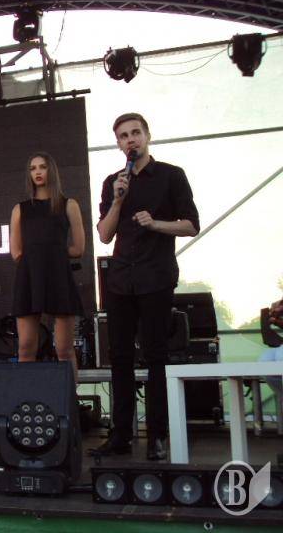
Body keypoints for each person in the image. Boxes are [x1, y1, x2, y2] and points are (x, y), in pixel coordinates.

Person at [93, 113, 199, 461]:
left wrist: (155, 224)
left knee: (156, 356)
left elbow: (191, 225)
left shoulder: (171, 175)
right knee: (120, 358)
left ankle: (157, 436)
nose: (131, 140)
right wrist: (118, 200)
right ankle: (121, 435)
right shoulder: (113, 182)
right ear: (118, 144)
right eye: (124, 136)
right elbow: (104, 234)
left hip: (156, 276)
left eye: (135, 133)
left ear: (147, 136)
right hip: (121, 280)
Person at [10, 152, 85, 379]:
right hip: (29, 276)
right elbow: (16, 251)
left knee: (64, 349)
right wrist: (38, 257)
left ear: (51, 170)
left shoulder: (69, 205)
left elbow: (78, 248)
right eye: (33, 168)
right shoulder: (20, 209)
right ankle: (27, 397)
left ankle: (70, 398)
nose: (38, 172)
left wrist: (53, 254)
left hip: (58, 276)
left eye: (42, 167)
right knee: (25, 348)